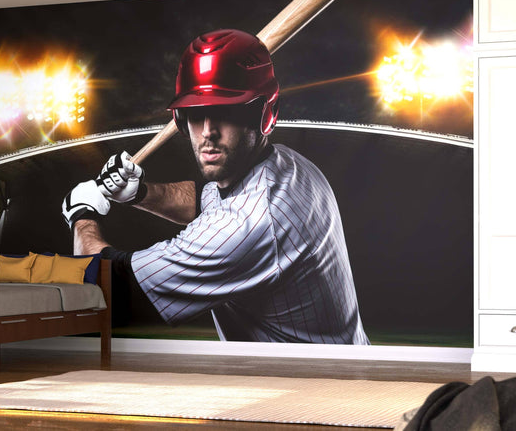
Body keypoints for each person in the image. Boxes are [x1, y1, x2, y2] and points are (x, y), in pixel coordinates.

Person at [61, 29, 368, 344]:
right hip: (343, 364)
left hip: (309, 376)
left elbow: (100, 290)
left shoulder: (250, 224)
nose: (208, 131)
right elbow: (205, 200)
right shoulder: (288, 166)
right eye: (196, 113)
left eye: (225, 111)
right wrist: (140, 193)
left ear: (262, 115)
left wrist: (82, 215)